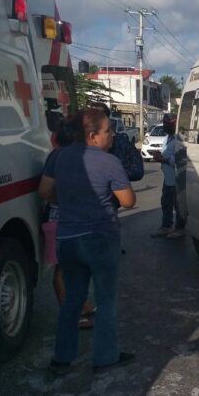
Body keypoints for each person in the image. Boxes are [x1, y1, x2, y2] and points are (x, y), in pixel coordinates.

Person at [39, 108, 136, 375]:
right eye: (107, 130)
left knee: (72, 299)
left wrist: (68, 202)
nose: (112, 135)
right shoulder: (109, 162)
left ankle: (62, 358)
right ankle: (105, 358)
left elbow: (46, 191)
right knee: (106, 301)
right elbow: (128, 200)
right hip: (100, 238)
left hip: (68, 239)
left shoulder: (57, 156)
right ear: (93, 136)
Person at [41, 118, 97, 329]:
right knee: (63, 269)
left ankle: (80, 306)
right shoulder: (58, 157)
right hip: (60, 221)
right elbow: (45, 190)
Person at [150, 114, 185, 238]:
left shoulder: (180, 139)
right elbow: (166, 153)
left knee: (178, 205)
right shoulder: (167, 138)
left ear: (175, 124)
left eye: (168, 124)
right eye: (164, 123)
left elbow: (180, 159)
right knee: (166, 203)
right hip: (168, 178)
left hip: (176, 178)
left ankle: (180, 229)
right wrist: (159, 155)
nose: (165, 126)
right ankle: (166, 226)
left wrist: (163, 159)